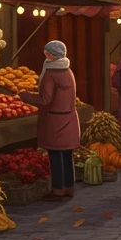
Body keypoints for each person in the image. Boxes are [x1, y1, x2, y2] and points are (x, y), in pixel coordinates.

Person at [37, 41, 79, 201]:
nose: (45, 54)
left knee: (55, 156)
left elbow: (45, 99)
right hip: (68, 118)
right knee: (67, 155)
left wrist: (24, 96)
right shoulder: (68, 71)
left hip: (55, 121)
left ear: (52, 54)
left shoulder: (51, 73)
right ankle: (69, 188)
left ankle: (57, 191)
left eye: (47, 52)